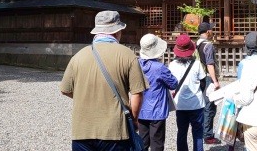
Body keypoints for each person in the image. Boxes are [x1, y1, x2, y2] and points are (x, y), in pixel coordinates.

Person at [60, 10, 149, 150]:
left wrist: (87, 98)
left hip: (82, 129)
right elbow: (137, 93)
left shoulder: (78, 56)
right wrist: (135, 119)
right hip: (115, 130)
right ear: (118, 31)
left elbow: (65, 90)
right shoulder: (127, 55)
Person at [138, 33, 179, 151]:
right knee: (157, 143)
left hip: (140, 107)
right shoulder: (159, 68)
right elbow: (173, 84)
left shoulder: (136, 65)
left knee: (142, 142)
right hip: (157, 109)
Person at [169, 34, 207, 151]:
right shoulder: (196, 64)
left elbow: (170, 84)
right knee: (197, 132)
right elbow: (203, 82)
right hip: (196, 103)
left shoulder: (172, 65)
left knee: (181, 132)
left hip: (180, 104)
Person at [195, 22, 221, 144]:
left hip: (199, 77)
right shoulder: (208, 45)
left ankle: (202, 131)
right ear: (207, 32)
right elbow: (210, 63)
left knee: (203, 105)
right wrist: (215, 81)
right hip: (208, 78)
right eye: (211, 29)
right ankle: (208, 135)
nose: (213, 31)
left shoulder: (197, 43)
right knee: (210, 107)